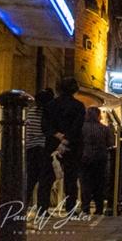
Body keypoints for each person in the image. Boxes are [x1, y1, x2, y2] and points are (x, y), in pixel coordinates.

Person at [42, 77, 86, 214]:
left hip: (52, 143)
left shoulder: (50, 105)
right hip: (72, 145)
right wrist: (66, 139)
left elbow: (45, 125)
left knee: (47, 177)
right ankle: (70, 207)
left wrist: (57, 135)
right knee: (71, 178)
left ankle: (42, 208)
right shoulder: (79, 106)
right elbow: (77, 126)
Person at [79, 107, 115, 215]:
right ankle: (99, 208)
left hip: (84, 158)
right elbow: (111, 143)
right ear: (99, 116)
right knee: (99, 184)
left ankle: (85, 208)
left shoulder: (81, 128)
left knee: (85, 183)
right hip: (100, 159)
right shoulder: (104, 129)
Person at [25, 89, 55, 214]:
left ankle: (22, 205)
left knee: (30, 179)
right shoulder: (47, 114)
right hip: (43, 149)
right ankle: (42, 208)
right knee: (45, 180)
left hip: (30, 148)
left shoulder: (30, 112)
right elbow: (48, 133)